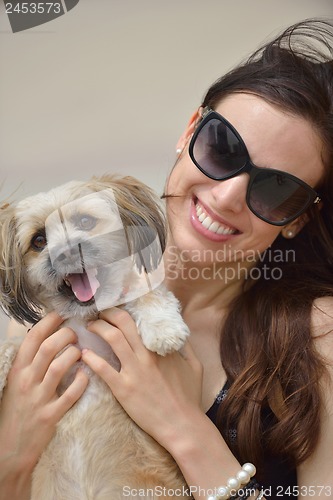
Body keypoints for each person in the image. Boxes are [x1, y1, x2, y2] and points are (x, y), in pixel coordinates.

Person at [1, 18, 333, 500]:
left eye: (277, 187)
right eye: (223, 148)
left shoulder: (318, 337)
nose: (226, 198)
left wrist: (183, 428)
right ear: (190, 132)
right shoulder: (42, 328)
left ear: (298, 218)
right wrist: (12, 456)